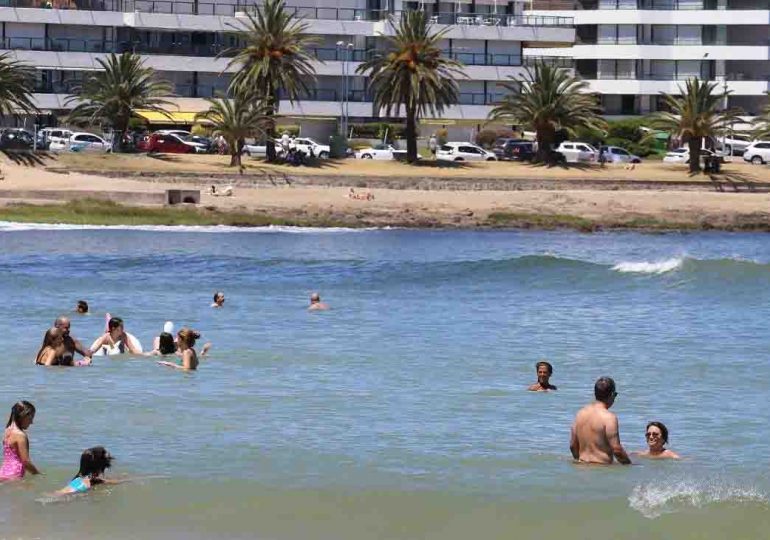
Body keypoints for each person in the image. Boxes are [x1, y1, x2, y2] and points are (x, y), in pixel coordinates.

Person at [569, 377, 631, 465]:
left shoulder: (580, 414)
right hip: (601, 468)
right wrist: (629, 465)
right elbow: (617, 450)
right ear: (612, 394)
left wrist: (580, 461)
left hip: (581, 468)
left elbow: (572, 446)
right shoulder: (609, 417)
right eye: (615, 395)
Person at [0, 401, 40, 480]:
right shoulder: (20, 435)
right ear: (23, 416)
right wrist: (37, 473)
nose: (31, 422)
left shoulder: (7, 431)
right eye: (30, 418)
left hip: (3, 472)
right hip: (15, 474)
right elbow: (25, 462)